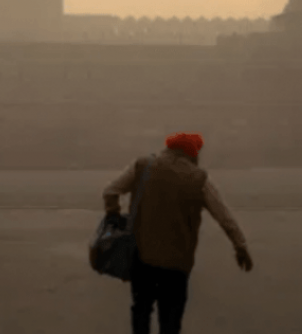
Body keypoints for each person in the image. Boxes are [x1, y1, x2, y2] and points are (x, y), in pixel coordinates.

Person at [102, 132, 254, 334]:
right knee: (171, 318)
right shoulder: (198, 178)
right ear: (193, 153)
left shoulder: (143, 165)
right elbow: (223, 217)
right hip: (177, 262)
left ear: (168, 148)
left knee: (141, 309)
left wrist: (113, 216)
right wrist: (240, 245)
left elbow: (110, 192)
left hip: (141, 255)